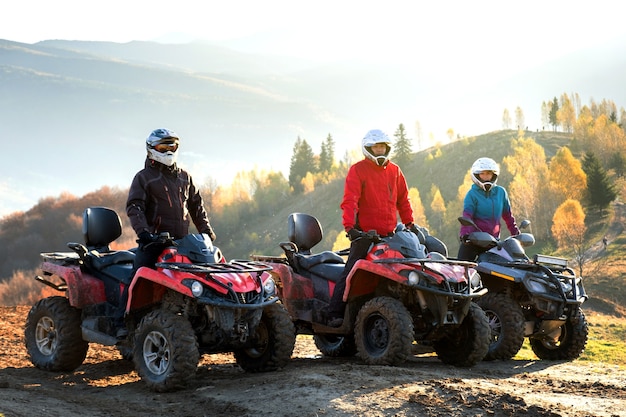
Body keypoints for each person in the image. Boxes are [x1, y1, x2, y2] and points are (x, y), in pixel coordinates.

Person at [117, 128, 216, 336]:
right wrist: (144, 234)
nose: (169, 151)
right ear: (152, 149)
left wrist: (206, 232)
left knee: (209, 277)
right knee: (137, 278)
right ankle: (122, 323)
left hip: (184, 243)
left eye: (173, 146)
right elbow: (134, 207)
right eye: (164, 147)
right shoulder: (143, 178)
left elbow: (197, 206)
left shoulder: (184, 178)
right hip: (153, 243)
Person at [325, 129, 415, 327]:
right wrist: (350, 227)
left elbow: (403, 201)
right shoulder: (358, 170)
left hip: (391, 235)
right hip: (365, 234)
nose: (380, 149)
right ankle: (334, 313)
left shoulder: (395, 171)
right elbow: (350, 200)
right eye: (376, 146)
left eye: (382, 146)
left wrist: (410, 223)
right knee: (351, 271)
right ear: (368, 149)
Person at [458, 157, 520, 261]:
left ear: (493, 175)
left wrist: (516, 234)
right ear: (477, 175)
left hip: (494, 243)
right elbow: (467, 216)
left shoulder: (501, 193)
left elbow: (508, 216)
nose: (486, 177)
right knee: (462, 270)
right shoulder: (472, 195)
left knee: (506, 271)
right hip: (473, 241)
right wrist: (465, 234)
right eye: (483, 173)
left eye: (489, 173)